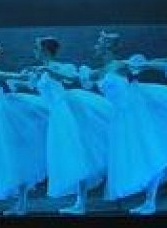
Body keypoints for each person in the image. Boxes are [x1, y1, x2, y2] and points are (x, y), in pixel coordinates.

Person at [86, 32, 167, 215]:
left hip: (134, 115)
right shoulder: (101, 70)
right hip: (119, 119)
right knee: (135, 158)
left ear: (107, 47)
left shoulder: (120, 65)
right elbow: (78, 78)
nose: (95, 47)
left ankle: (150, 202)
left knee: (149, 154)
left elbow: (148, 63)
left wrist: (166, 61)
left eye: (98, 44)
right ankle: (148, 201)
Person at [34, 36, 113, 215]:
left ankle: (81, 203)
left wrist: (48, 70)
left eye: (37, 48)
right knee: (69, 155)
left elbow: (72, 78)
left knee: (77, 153)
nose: (35, 52)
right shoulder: (42, 71)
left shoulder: (59, 67)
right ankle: (80, 202)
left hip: (66, 113)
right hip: (56, 116)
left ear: (45, 50)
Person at [0, 41, 49, 216]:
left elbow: (19, 78)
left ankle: (22, 204)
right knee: (9, 160)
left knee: (15, 158)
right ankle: (20, 204)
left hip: (5, 118)